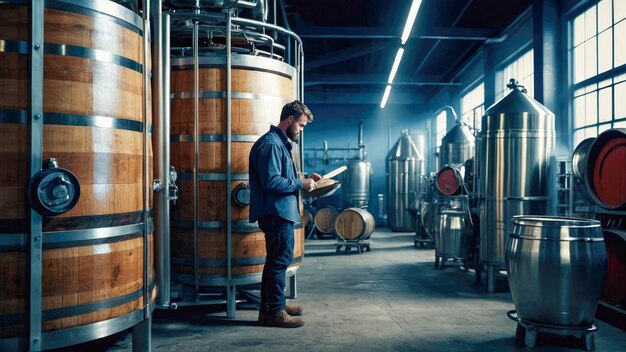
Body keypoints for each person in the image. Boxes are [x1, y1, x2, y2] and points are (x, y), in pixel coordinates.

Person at [249, 100, 321, 328]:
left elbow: (281, 176)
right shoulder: (271, 144)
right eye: (300, 125)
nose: (300, 130)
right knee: (278, 262)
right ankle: (274, 311)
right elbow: (271, 181)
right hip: (275, 213)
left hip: (280, 212)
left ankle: (274, 304)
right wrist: (301, 183)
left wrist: (306, 178)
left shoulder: (279, 143)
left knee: (277, 261)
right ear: (289, 120)